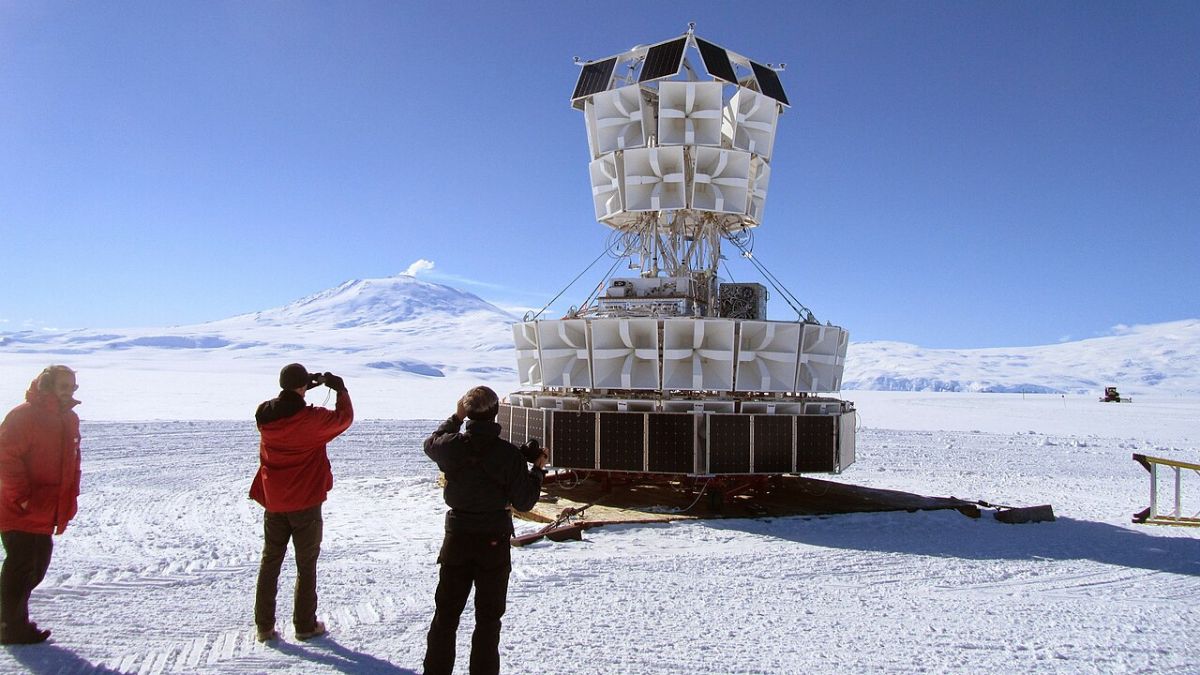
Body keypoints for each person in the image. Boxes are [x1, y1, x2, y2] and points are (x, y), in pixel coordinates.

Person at [422, 385, 547, 675]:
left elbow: (431, 442)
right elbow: (524, 501)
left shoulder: (450, 447)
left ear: (467, 412)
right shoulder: (508, 456)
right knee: (488, 620)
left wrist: (455, 417)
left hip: (458, 537)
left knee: (446, 616)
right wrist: (537, 470)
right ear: (496, 413)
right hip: (493, 539)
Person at [249, 363, 352, 643]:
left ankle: (264, 627)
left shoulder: (264, 415)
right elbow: (344, 418)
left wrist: (301, 388)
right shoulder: (312, 420)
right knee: (306, 564)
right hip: (305, 502)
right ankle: (305, 625)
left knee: (270, 560)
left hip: (274, 501)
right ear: (302, 385)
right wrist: (340, 390)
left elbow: (286, 403)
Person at [0, 365, 82, 645]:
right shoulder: (24, 416)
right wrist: (22, 497)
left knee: (36, 567)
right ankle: (11, 627)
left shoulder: (69, 418)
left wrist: (70, 498)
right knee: (21, 567)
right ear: (47, 384)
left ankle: (9, 619)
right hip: (19, 508)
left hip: (46, 508)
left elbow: (73, 462)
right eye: (64, 385)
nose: (69, 391)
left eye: (73, 386)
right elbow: (5, 458)